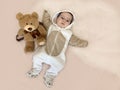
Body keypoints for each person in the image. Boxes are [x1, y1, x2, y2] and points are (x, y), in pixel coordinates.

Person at [27, 10, 88, 88]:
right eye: (62, 17)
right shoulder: (51, 27)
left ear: (70, 24)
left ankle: (50, 75)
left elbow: (76, 41)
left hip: (57, 57)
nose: (64, 21)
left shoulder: (68, 34)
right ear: (56, 18)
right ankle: (36, 69)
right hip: (44, 51)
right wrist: (46, 13)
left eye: (67, 20)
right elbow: (45, 21)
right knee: (36, 56)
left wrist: (84, 43)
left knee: (59, 65)